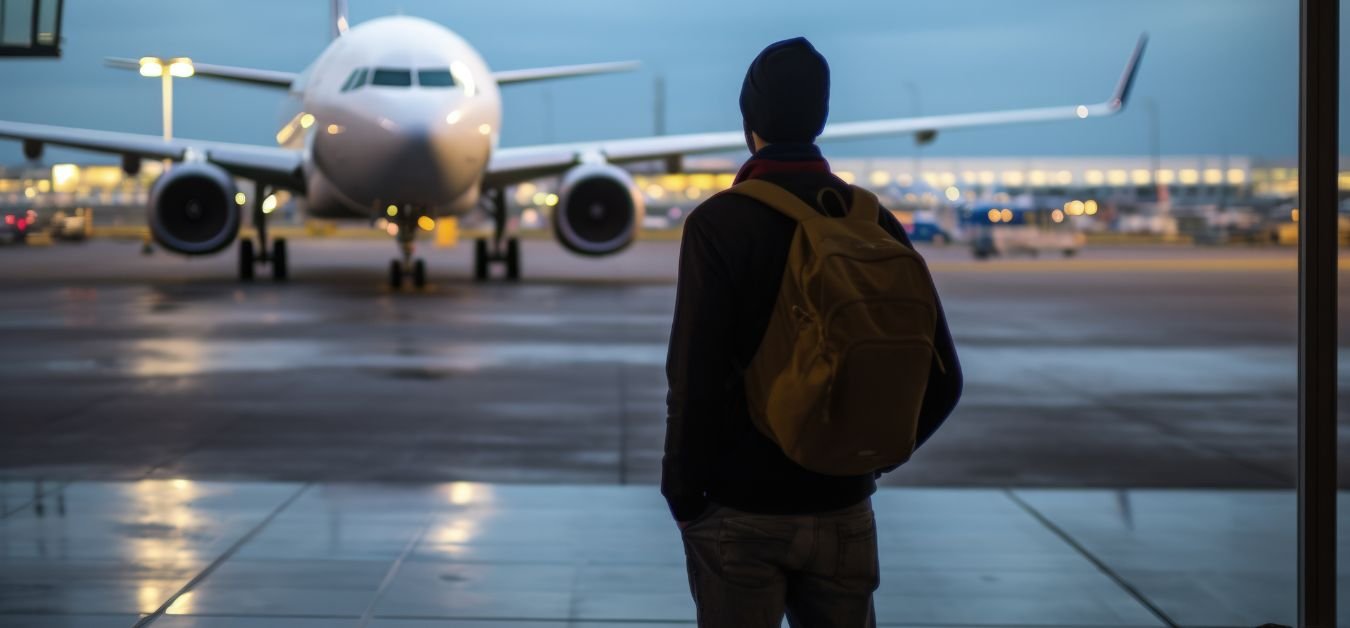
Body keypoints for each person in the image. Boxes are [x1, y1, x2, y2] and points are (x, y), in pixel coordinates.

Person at [662, 36, 963, 627]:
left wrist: (683, 491)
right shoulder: (870, 219)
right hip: (842, 507)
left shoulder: (718, 223)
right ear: (821, 117)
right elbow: (944, 380)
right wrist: (862, 459)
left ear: (750, 122)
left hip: (739, 510)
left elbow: (694, 378)